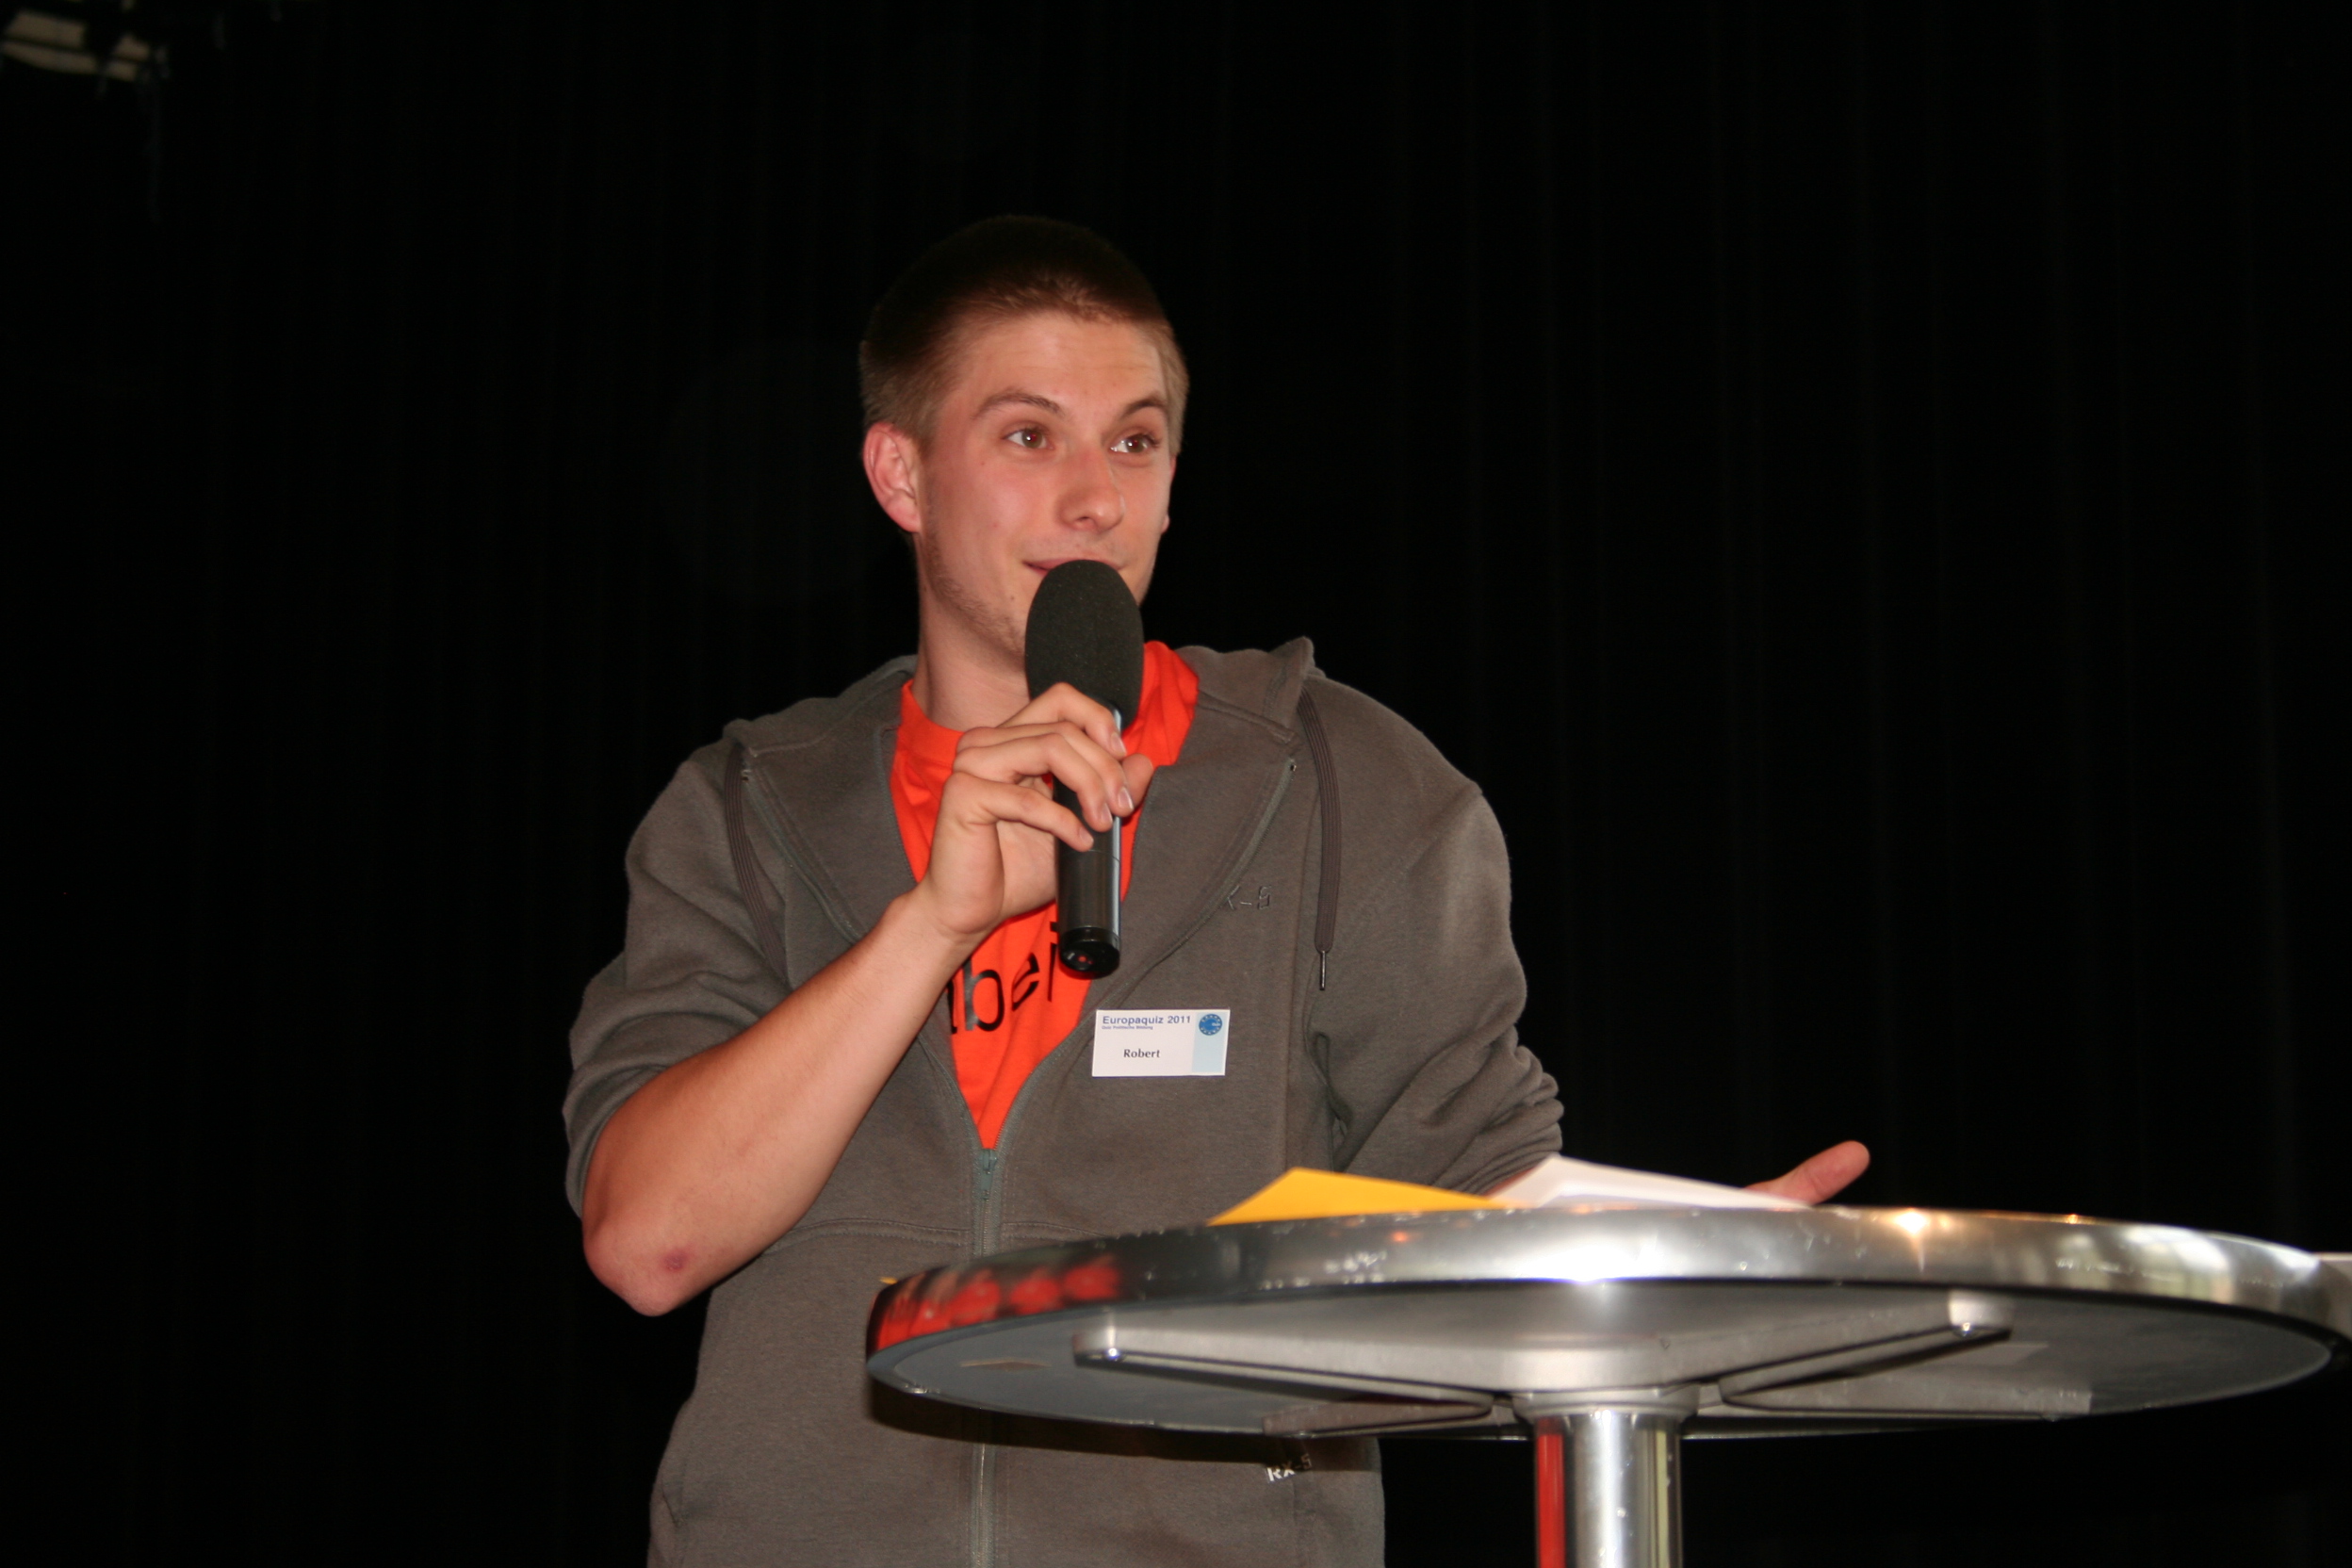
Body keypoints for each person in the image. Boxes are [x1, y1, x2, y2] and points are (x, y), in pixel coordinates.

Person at [564, 216, 1866, 1567]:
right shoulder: (751, 806)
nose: (1095, 499)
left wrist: (1686, 1261)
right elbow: (649, 1243)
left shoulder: (1339, 782)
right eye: (1029, 436)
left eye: (1134, 443)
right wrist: (930, 926)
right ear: (901, 474)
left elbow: (1477, 1178)